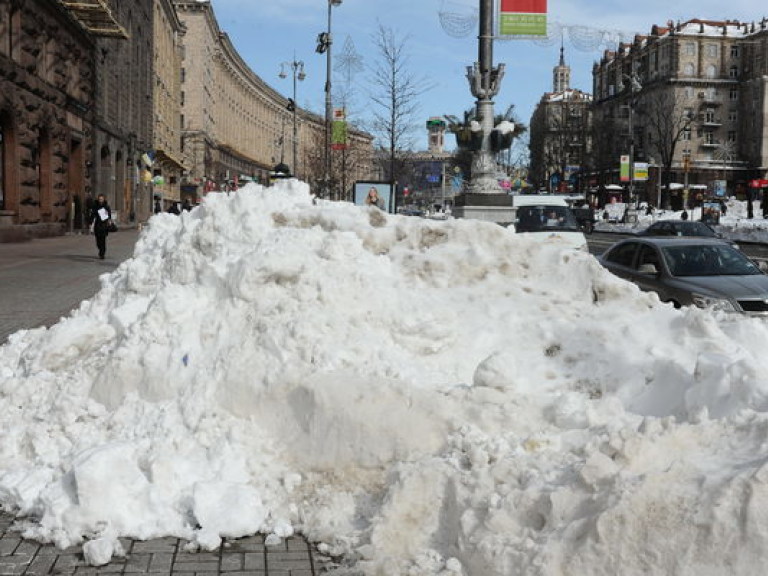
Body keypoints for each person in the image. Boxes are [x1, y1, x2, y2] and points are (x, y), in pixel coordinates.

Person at [88, 194, 112, 260]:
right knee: (98, 241)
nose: (100, 200)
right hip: (98, 224)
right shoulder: (95, 206)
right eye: (99, 199)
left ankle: (102, 253)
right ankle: (100, 249)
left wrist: (109, 220)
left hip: (104, 225)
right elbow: (92, 215)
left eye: (101, 199)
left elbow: (109, 214)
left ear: (104, 199)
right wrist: (90, 223)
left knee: (103, 240)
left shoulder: (106, 206)